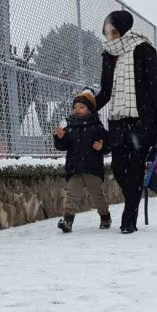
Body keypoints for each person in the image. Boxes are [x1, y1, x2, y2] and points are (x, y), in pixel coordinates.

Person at [94, 11, 157, 234]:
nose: (110, 37)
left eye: (114, 32)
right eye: (107, 32)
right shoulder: (108, 56)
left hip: (142, 120)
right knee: (118, 168)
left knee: (135, 169)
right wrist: (87, 106)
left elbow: (155, 87)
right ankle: (133, 202)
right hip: (118, 121)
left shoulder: (144, 50)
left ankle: (128, 220)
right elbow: (106, 92)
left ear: (124, 30)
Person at [53, 89, 111, 232]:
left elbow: (108, 144)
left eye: (81, 107)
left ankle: (105, 216)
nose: (77, 110)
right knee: (72, 195)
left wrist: (102, 147)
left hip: (92, 168)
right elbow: (63, 146)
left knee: (97, 196)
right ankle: (67, 221)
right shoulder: (70, 128)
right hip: (74, 168)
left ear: (90, 109)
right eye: (75, 107)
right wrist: (60, 137)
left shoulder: (97, 127)